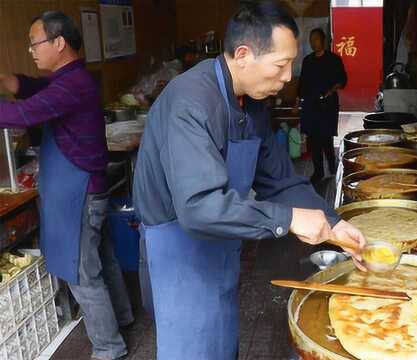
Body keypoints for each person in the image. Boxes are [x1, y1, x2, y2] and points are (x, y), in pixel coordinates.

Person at [132, 2, 366, 359]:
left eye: (291, 64)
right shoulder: (190, 102)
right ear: (243, 55)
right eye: (281, 65)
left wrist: (334, 225)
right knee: (192, 349)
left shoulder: (251, 106)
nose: (288, 77)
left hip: (221, 242)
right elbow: (198, 206)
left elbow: (281, 180)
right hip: (180, 250)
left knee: (223, 346)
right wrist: (287, 219)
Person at [0, 11, 133, 360]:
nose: (30, 50)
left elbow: (22, 114)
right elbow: (29, 88)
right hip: (88, 191)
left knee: (82, 275)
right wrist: (7, 79)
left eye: (34, 43)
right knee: (102, 259)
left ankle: (109, 348)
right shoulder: (69, 79)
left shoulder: (71, 86)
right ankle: (121, 318)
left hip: (80, 195)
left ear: (58, 43)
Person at [298, 27, 347, 183]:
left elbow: (342, 80)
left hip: (328, 104)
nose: (313, 43)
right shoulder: (307, 61)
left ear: (323, 41)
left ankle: (332, 167)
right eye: (311, 40)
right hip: (311, 105)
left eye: (316, 39)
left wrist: (332, 90)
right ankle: (318, 171)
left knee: (326, 138)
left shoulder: (334, 60)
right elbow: (302, 84)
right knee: (312, 139)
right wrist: (297, 100)